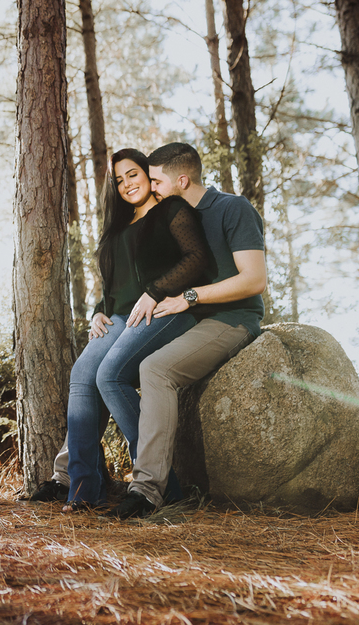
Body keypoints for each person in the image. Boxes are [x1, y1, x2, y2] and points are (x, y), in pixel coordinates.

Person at [43, 148, 210, 512]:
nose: (126, 184)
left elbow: (197, 259)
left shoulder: (172, 210)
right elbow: (112, 286)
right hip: (121, 318)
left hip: (167, 309)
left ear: (148, 175)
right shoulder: (116, 228)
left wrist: (156, 292)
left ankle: (160, 485)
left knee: (110, 376)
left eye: (132, 174)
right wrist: (98, 313)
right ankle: (84, 488)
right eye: (118, 180)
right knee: (82, 375)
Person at [106, 142, 266, 519]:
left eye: (156, 180)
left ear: (181, 179)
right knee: (107, 365)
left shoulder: (232, 208)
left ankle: (147, 491)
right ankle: (73, 474)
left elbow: (254, 280)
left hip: (230, 319)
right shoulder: (170, 218)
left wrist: (190, 296)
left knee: (155, 369)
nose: (150, 187)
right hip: (188, 317)